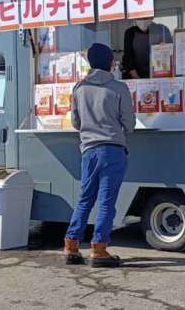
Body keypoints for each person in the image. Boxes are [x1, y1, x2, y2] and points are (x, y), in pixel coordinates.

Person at [64, 43, 136, 268]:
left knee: (85, 198)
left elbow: (76, 122)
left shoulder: (79, 88)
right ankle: (99, 249)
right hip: (112, 150)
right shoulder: (119, 88)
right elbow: (129, 124)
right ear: (109, 63)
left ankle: (71, 245)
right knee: (106, 201)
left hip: (88, 151)